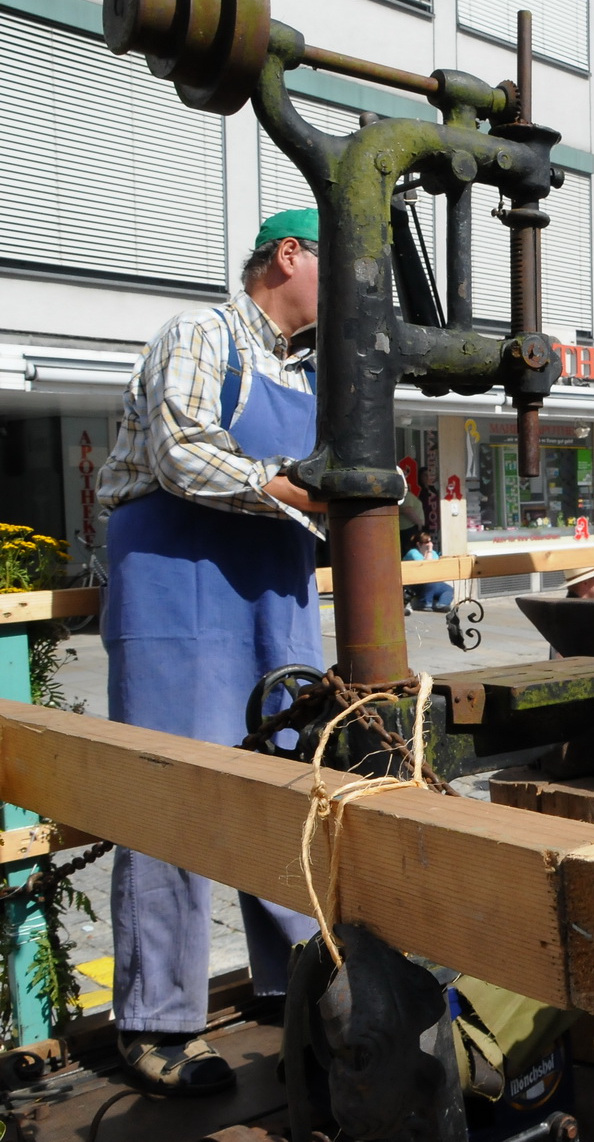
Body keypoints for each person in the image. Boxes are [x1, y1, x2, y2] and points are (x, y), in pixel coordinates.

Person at [95, 209, 327, 1095]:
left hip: (278, 582)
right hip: (177, 577)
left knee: (288, 777)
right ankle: (157, 1022)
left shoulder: (313, 371)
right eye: (337, 263)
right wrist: (311, 492)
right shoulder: (203, 331)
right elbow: (185, 451)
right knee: (172, 796)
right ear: (289, 254)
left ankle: (296, 980)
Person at [404, 530, 452, 611]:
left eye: (430, 541)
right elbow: (426, 568)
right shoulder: (413, 553)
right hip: (414, 583)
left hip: (429, 582)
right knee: (430, 583)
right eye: (426, 542)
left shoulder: (432, 553)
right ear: (419, 544)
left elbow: (435, 566)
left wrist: (430, 552)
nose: (430, 544)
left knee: (447, 589)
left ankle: (442, 604)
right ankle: (424, 603)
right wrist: (429, 551)